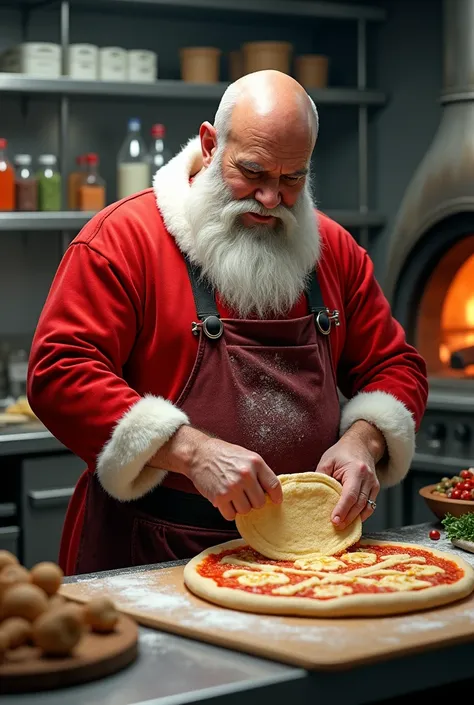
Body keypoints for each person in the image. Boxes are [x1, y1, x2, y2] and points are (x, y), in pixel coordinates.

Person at [27, 70, 428, 575]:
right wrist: (191, 451)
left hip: (309, 554)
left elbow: (396, 366)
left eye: (292, 179)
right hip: (152, 550)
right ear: (211, 144)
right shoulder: (122, 240)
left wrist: (364, 439)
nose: (270, 199)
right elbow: (60, 372)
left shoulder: (334, 249)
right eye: (254, 172)